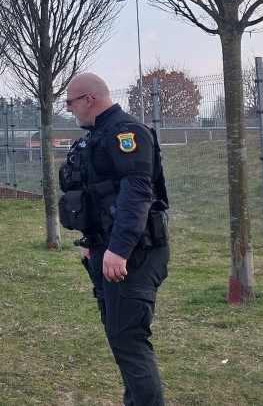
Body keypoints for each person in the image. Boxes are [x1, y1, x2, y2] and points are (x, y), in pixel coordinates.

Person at [61, 74, 170, 406]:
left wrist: (119, 250)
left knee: (129, 340)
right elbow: (99, 197)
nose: (69, 110)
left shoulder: (127, 133)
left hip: (133, 255)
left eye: (70, 102)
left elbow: (137, 194)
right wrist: (92, 243)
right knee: (120, 338)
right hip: (105, 249)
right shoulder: (99, 134)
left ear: (88, 100)